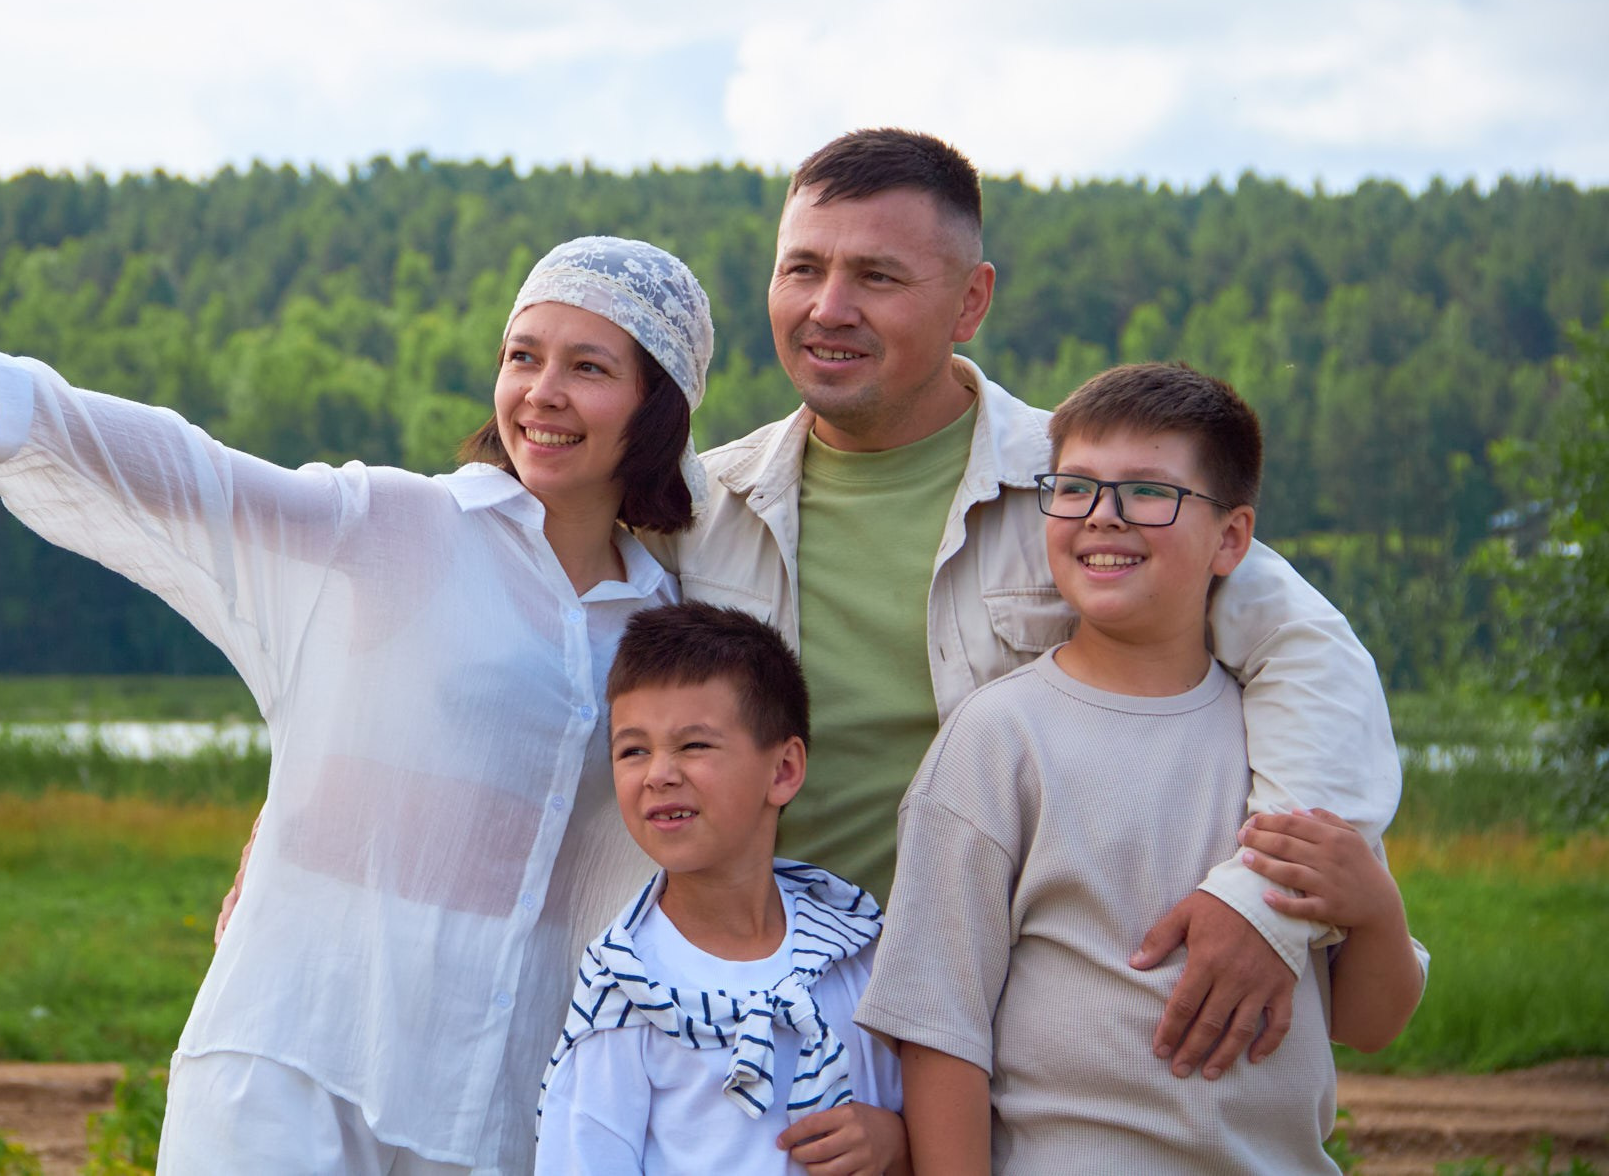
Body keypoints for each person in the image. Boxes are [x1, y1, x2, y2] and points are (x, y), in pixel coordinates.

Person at [0, 235, 716, 1176]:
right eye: (520, 357)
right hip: (296, 1064)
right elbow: (194, 475)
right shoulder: (405, 526)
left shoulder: (663, 622)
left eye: (586, 367)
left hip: (498, 1100)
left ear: (656, 408)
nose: (540, 392)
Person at [649, 128, 1405, 1081]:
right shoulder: (701, 510)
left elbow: (1311, 654)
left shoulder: (1084, 493)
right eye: (801, 267)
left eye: (878, 277)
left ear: (972, 301)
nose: (826, 308)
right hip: (774, 1037)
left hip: (1018, 1042)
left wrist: (1264, 898)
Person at [853, 362, 1427, 1173]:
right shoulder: (999, 738)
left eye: (1149, 493)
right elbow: (941, 1028)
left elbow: (1369, 1022)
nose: (1104, 518)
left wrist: (1374, 910)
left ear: (1231, 538)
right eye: (1077, 488)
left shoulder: (1286, 744)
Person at [535, 601, 907, 1176]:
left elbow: (926, 1110)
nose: (659, 773)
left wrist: (895, 1142)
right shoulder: (625, 994)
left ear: (783, 770)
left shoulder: (854, 949)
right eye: (634, 750)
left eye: (693, 745)